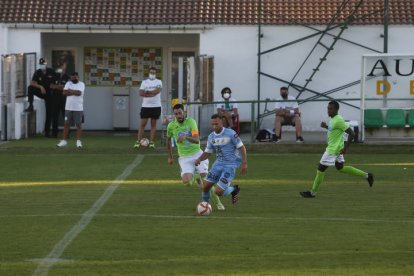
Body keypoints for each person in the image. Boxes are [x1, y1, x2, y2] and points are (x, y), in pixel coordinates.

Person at [300, 101, 374, 198]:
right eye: (328, 108)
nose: (328, 110)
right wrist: (326, 126)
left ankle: (312, 193)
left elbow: (352, 133)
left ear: (336, 109)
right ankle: (367, 176)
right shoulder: (333, 119)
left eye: (331, 109)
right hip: (337, 148)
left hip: (333, 150)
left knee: (321, 169)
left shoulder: (338, 120)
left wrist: (345, 148)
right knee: (340, 168)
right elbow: (335, 130)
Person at [166, 104, 225, 210]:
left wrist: (185, 137)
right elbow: (167, 141)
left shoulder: (191, 122)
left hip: (198, 154)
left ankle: (219, 203)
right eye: (176, 114)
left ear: (184, 112)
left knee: (207, 179)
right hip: (184, 158)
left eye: (180, 113)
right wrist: (170, 157)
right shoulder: (171, 126)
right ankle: (196, 177)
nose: (178, 115)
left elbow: (197, 139)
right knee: (187, 183)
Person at [195, 114, 247, 205]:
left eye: (216, 123)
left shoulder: (231, 133)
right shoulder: (211, 137)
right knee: (205, 187)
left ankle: (234, 189)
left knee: (218, 192)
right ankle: (205, 206)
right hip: (218, 165)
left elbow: (241, 147)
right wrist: (199, 159)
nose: (214, 126)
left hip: (230, 166)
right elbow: (208, 152)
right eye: (213, 124)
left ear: (221, 122)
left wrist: (244, 162)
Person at [25, 58, 56, 137]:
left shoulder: (51, 71)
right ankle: (30, 105)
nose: (42, 65)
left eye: (44, 64)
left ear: (46, 64)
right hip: (42, 92)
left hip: (50, 94)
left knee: (49, 113)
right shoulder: (37, 72)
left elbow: (56, 81)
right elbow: (33, 83)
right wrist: (40, 86)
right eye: (41, 64)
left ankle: (47, 132)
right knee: (30, 88)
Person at [134, 67, 162, 149]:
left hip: (156, 106)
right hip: (145, 106)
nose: (152, 74)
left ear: (156, 74)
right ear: (148, 73)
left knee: (153, 125)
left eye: (154, 73)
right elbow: (140, 93)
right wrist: (151, 93)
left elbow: (157, 91)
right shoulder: (144, 82)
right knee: (142, 125)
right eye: (151, 72)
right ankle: (138, 142)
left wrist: (147, 92)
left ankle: (151, 142)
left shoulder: (159, 81)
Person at [56, 72, 85, 148]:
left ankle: (78, 141)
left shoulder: (81, 84)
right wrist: (73, 92)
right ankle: (64, 141)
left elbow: (79, 93)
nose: (74, 78)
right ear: (71, 77)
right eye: (72, 77)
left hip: (78, 108)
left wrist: (70, 91)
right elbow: (64, 93)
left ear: (78, 77)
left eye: (75, 77)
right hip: (68, 108)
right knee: (66, 124)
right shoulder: (68, 83)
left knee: (78, 124)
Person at [49, 62, 70, 138]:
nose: (62, 67)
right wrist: (60, 86)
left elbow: (67, 88)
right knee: (55, 117)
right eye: (61, 66)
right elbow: (51, 86)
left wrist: (57, 87)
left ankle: (66, 134)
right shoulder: (55, 76)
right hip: (55, 99)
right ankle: (54, 134)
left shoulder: (67, 77)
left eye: (63, 65)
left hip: (64, 100)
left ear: (65, 67)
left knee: (66, 117)